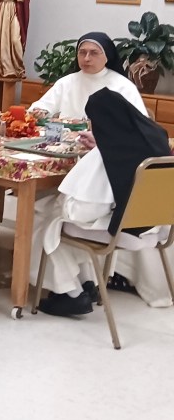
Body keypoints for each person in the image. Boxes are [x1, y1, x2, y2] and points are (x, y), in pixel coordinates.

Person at [32, 89, 172, 315]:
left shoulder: (106, 156)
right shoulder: (155, 138)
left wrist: (61, 202)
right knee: (53, 214)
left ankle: (70, 292)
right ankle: (87, 281)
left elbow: (83, 211)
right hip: (156, 224)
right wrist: (101, 145)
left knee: (46, 220)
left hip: (125, 229)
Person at [29, 32, 146, 121]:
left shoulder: (123, 86)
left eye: (94, 53)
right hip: (64, 140)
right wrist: (40, 111)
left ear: (107, 56)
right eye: (82, 52)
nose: (86, 58)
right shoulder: (66, 82)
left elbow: (140, 124)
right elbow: (43, 106)